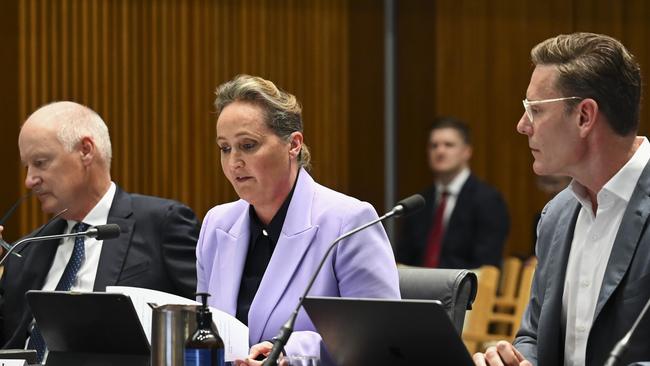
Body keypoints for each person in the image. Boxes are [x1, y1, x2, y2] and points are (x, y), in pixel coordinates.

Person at [196, 75, 400, 365]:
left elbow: (380, 337)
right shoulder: (216, 225)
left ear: (293, 144)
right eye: (225, 148)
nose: (233, 163)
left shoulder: (349, 222)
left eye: (248, 145)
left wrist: (291, 352)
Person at [473, 33, 650, 366]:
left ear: (584, 116)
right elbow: (534, 336)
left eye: (535, 110)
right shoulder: (556, 215)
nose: (522, 126)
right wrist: (515, 359)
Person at [0, 101, 200, 360]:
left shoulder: (163, 224)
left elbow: (208, 320)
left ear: (85, 151)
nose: (29, 180)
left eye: (40, 162)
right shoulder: (25, 249)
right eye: (27, 166)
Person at [396, 117, 510, 269]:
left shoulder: (488, 200)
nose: (440, 151)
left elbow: (487, 263)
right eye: (433, 146)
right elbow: (403, 258)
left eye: (448, 145)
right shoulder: (420, 201)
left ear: (467, 151)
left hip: (466, 288)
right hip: (416, 289)